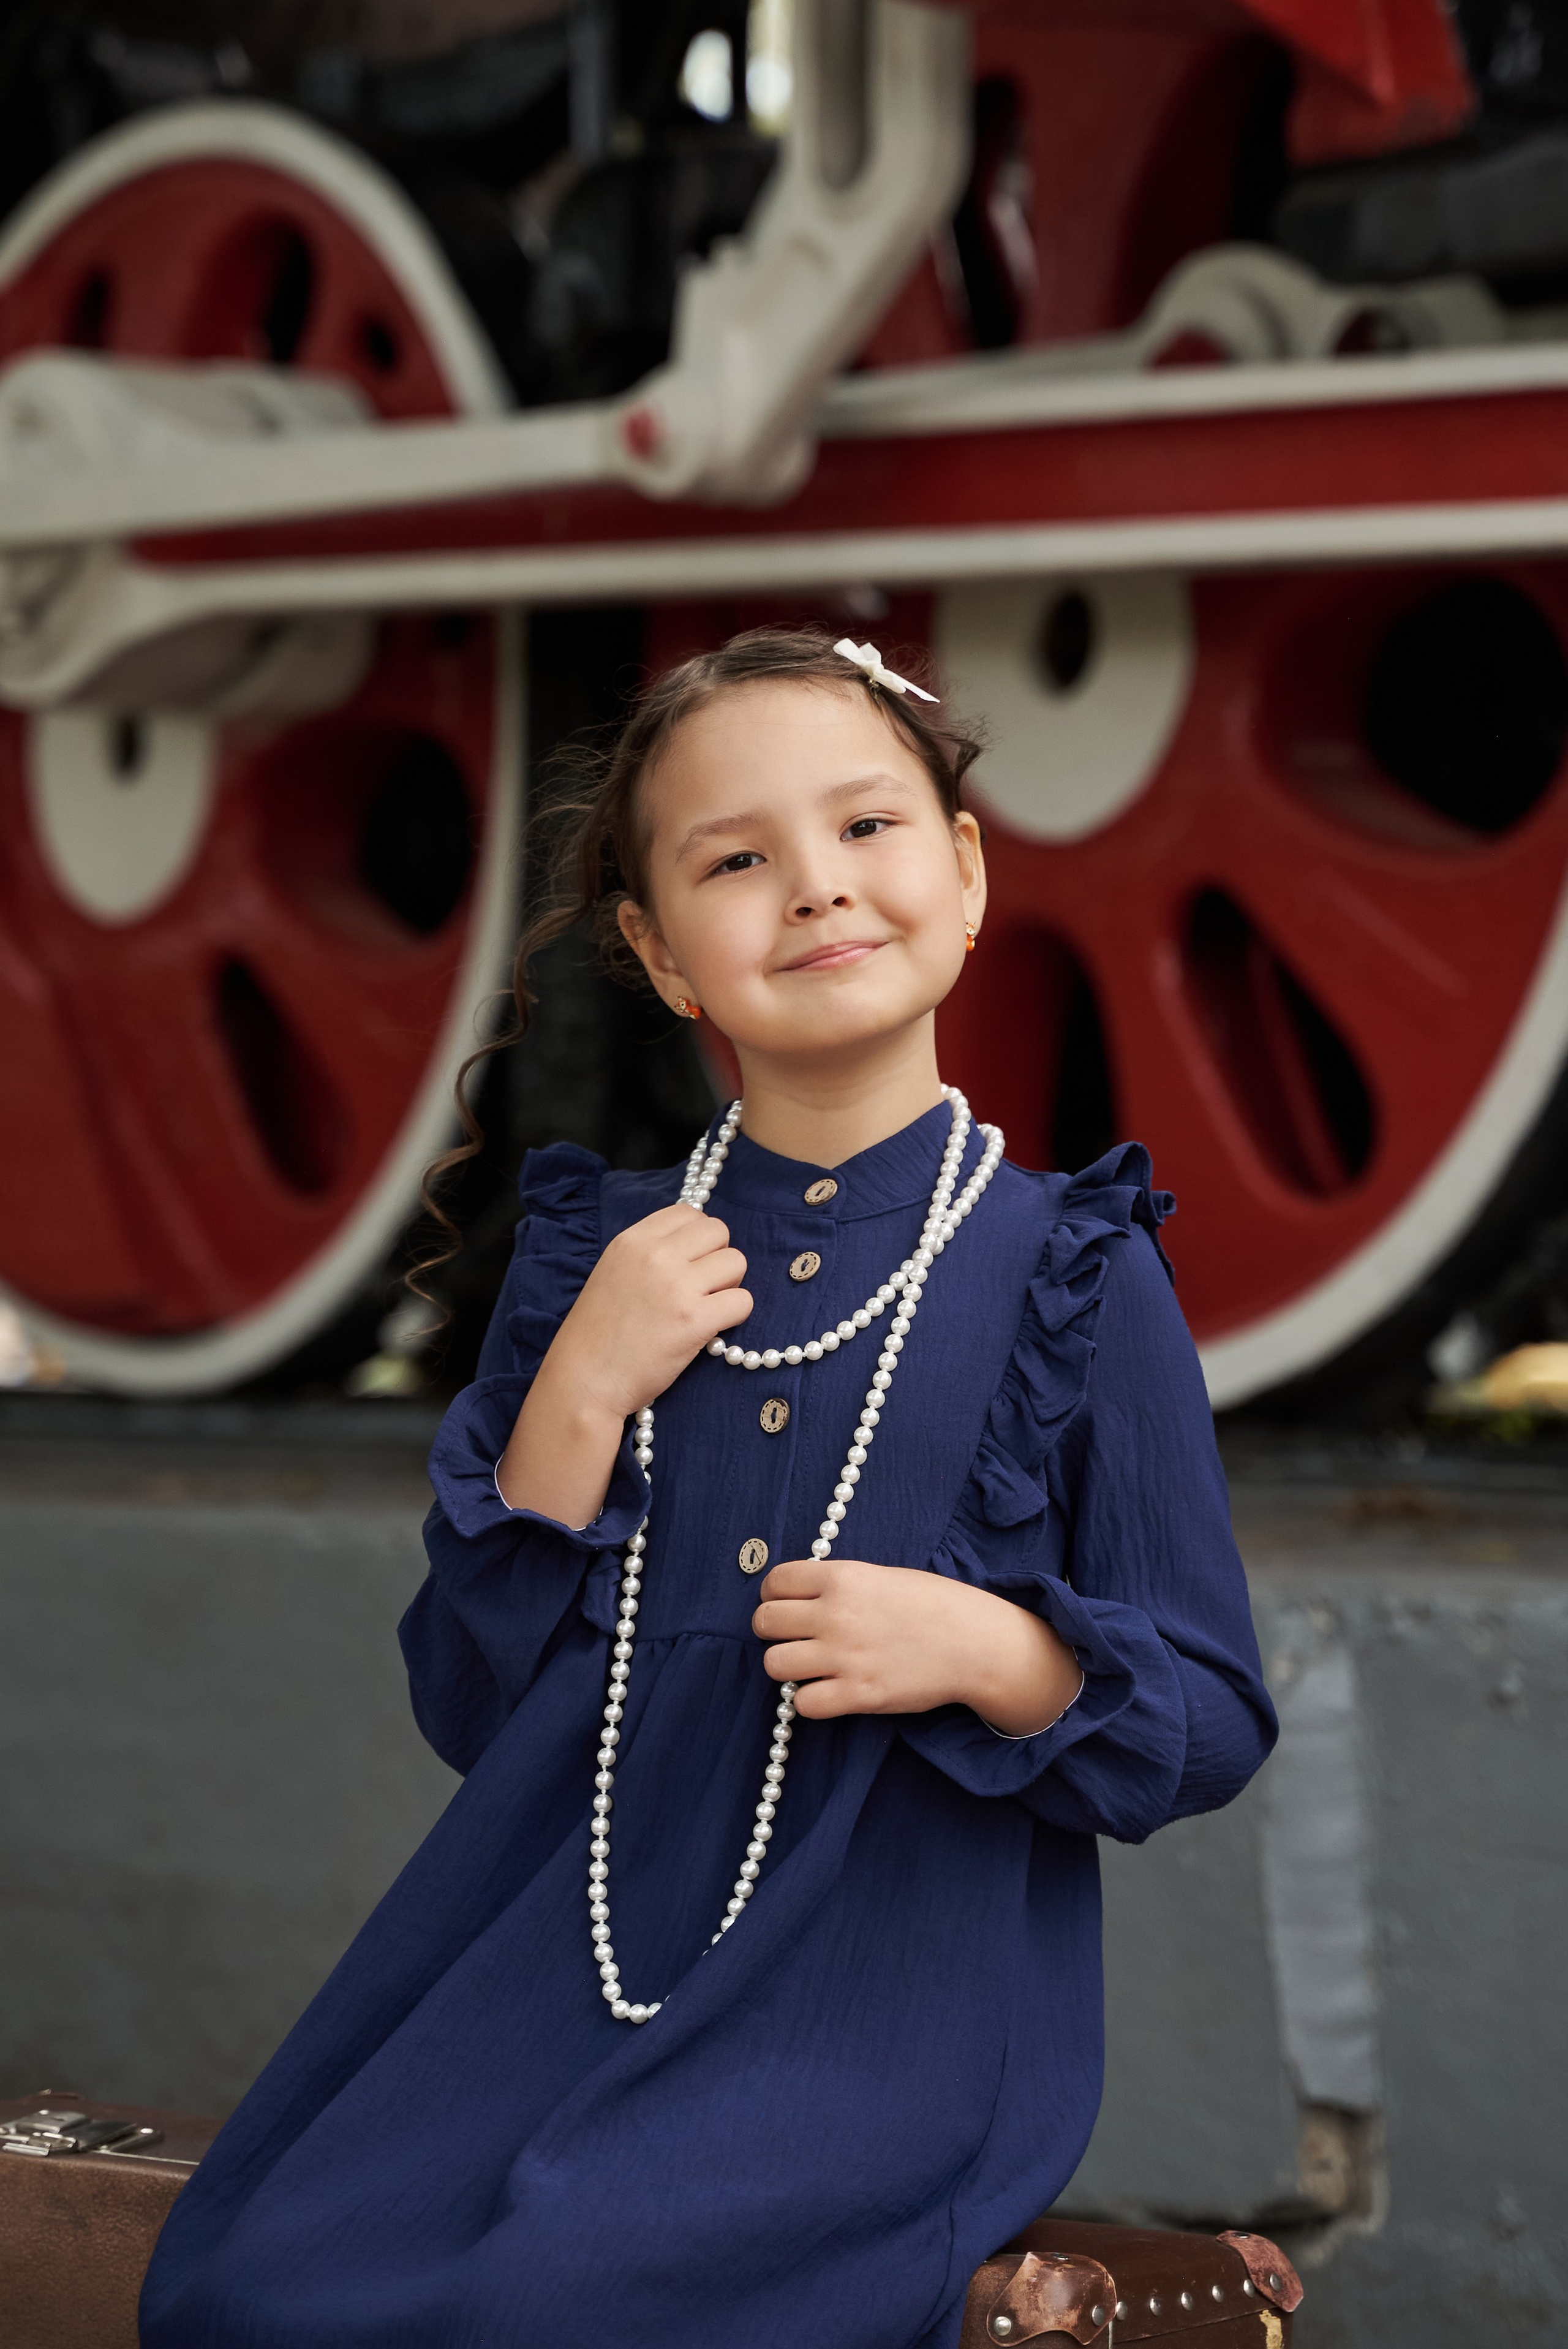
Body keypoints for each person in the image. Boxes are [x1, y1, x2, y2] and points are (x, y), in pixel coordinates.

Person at [140, 626, 1276, 2349]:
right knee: (256, 2282)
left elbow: (1208, 1717)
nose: (816, 886)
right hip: (556, 1956)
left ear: (968, 873)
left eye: (867, 827)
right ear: (662, 954)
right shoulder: (597, 1262)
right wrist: (583, 1388)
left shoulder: (1072, 1269)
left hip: (882, 2012)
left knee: (553, 2297)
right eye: (736, 860)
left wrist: (988, 1647)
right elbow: (468, 1700)